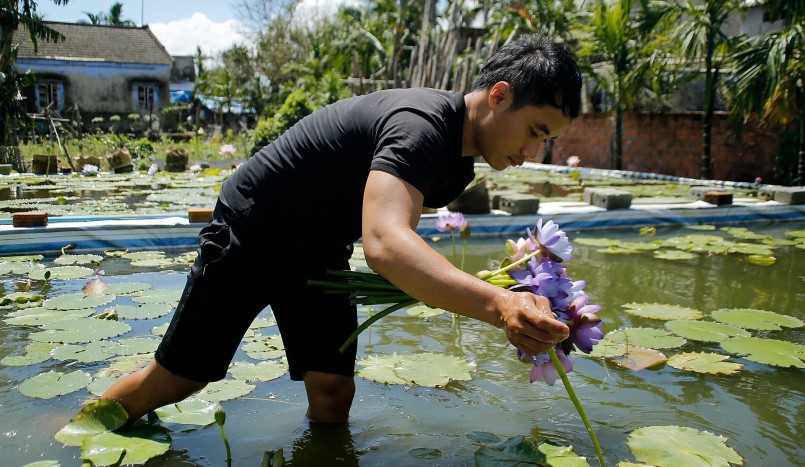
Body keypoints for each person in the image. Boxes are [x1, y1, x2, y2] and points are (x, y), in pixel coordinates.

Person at [101, 34, 582, 425]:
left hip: (317, 248)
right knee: (177, 380)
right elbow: (385, 244)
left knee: (332, 389)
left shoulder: (460, 163)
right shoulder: (421, 126)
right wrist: (500, 303)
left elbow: (395, 240)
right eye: (535, 132)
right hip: (255, 231)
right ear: (499, 95)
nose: (531, 153)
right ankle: (76, 429)